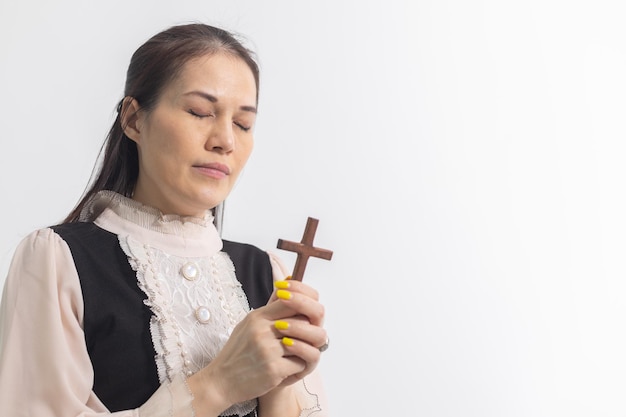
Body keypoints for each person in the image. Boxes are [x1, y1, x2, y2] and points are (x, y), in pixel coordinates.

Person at [0, 23, 329, 417]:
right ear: (134, 120)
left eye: (243, 124)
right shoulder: (58, 260)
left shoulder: (267, 274)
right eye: (199, 112)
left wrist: (277, 385)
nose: (225, 139)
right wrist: (220, 383)